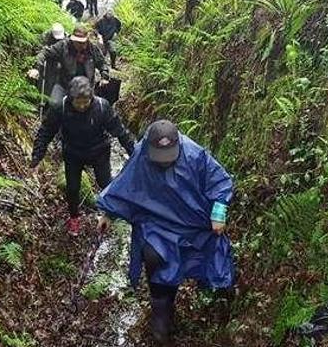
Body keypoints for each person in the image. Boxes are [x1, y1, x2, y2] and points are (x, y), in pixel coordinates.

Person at [96, 120, 235, 345]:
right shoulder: (141, 154)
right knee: (154, 256)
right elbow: (126, 183)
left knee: (189, 258)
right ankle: (161, 308)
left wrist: (218, 212)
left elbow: (220, 181)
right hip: (155, 222)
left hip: (190, 223)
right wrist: (108, 214)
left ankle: (174, 299)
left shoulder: (194, 155)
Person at [30, 77, 135, 236]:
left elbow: (120, 131)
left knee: (105, 182)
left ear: (91, 97)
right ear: (71, 98)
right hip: (73, 152)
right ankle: (74, 218)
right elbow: (46, 131)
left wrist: (134, 153)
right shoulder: (61, 107)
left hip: (99, 150)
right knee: (72, 188)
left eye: (85, 101)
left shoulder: (102, 106)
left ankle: (110, 213)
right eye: (77, 102)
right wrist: (37, 157)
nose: (81, 106)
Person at [27, 24, 109, 108]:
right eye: (77, 42)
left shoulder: (92, 49)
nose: (79, 44)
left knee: (88, 109)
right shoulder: (63, 45)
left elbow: (102, 63)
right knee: (55, 104)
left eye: (82, 42)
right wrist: (36, 68)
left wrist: (104, 76)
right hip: (64, 84)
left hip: (86, 87)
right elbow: (45, 53)